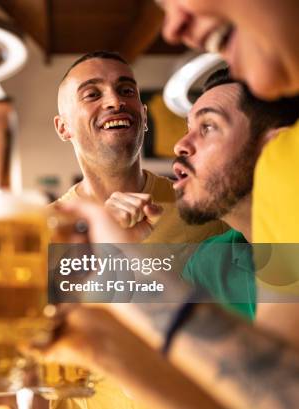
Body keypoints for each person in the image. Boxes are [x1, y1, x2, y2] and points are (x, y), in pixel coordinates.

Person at [39, 70, 299, 409]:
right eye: (189, 127)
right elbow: (222, 396)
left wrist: (133, 266)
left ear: (276, 150)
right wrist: (95, 346)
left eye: (207, 127)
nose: (180, 144)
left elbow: (284, 392)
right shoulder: (210, 261)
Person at [50, 51, 229, 409]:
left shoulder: (205, 210)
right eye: (92, 94)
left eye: (127, 90)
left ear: (144, 116)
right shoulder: (42, 231)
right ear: (63, 127)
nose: (115, 101)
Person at [157, 0, 299, 342]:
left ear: (274, 143)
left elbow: (276, 384)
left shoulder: (287, 163)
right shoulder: (210, 261)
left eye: (207, 127)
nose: (171, 28)